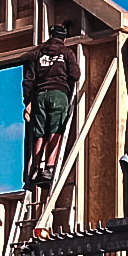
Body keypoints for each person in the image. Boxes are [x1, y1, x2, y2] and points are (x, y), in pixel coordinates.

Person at [22, 23, 81, 187]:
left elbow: (29, 80)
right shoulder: (67, 53)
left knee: (39, 133)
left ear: (51, 35)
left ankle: (36, 168)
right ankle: (49, 167)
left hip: (40, 96)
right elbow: (75, 75)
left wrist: (27, 101)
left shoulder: (37, 54)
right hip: (58, 94)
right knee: (55, 131)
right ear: (64, 38)